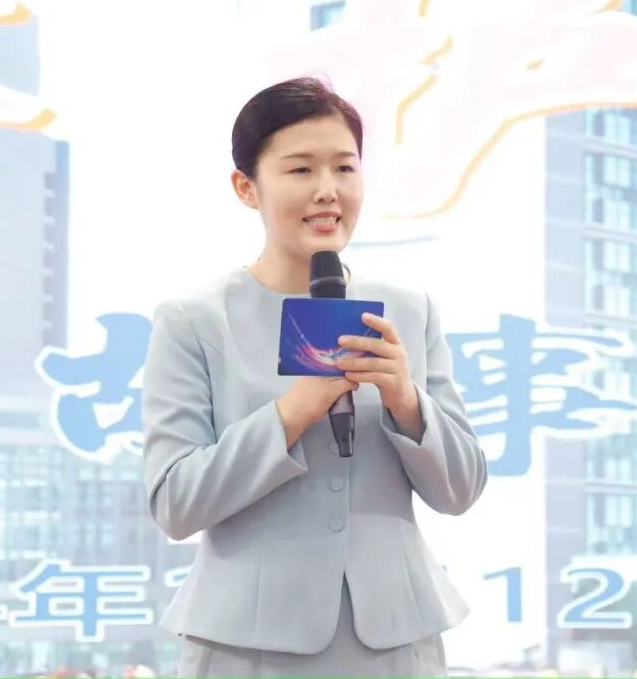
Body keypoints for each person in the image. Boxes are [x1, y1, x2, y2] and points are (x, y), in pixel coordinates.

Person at [141, 76, 488, 677]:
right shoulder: (194, 320)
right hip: (247, 648)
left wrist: (405, 401)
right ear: (246, 187)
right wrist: (292, 412)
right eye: (301, 170)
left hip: (395, 644)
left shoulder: (409, 311)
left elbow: (460, 491)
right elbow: (176, 502)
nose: (328, 190)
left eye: (345, 169)